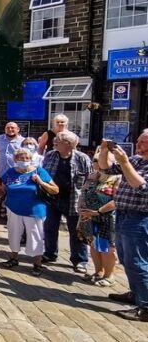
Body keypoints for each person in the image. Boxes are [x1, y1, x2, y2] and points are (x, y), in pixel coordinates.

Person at [100, 132, 148, 322]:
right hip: (123, 214)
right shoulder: (137, 159)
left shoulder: (132, 162)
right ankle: (137, 293)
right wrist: (104, 150)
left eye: (143, 142)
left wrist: (125, 162)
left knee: (138, 261)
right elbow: (106, 169)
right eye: (138, 141)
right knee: (127, 259)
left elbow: (141, 186)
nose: (138, 144)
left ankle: (145, 307)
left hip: (140, 217)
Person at [0, 147, 58, 276]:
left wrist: (40, 182)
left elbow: (55, 190)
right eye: (21, 158)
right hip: (13, 208)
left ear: (31, 159)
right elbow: (2, 189)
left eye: (27, 158)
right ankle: (14, 258)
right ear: (15, 159)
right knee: (14, 234)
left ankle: (37, 263)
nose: (24, 160)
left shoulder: (39, 171)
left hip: (34, 210)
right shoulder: (10, 172)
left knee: (35, 236)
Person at [41, 130, 91, 272]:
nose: (54, 142)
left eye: (59, 141)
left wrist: (86, 201)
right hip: (52, 199)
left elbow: (90, 180)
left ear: (69, 144)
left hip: (74, 200)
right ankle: (50, 253)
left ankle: (79, 260)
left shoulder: (82, 158)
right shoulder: (50, 155)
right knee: (50, 228)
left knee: (76, 231)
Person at [77, 148, 121, 287]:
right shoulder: (92, 175)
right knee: (93, 244)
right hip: (88, 216)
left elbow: (117, 200)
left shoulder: (117, 178)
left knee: (108, 247)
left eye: (99, 160)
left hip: (107, 217)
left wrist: (98, 211)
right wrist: (80, 208)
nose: (96, 162)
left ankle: (109, 275)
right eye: (95, 160)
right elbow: (82, 192)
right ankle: (98, 271)